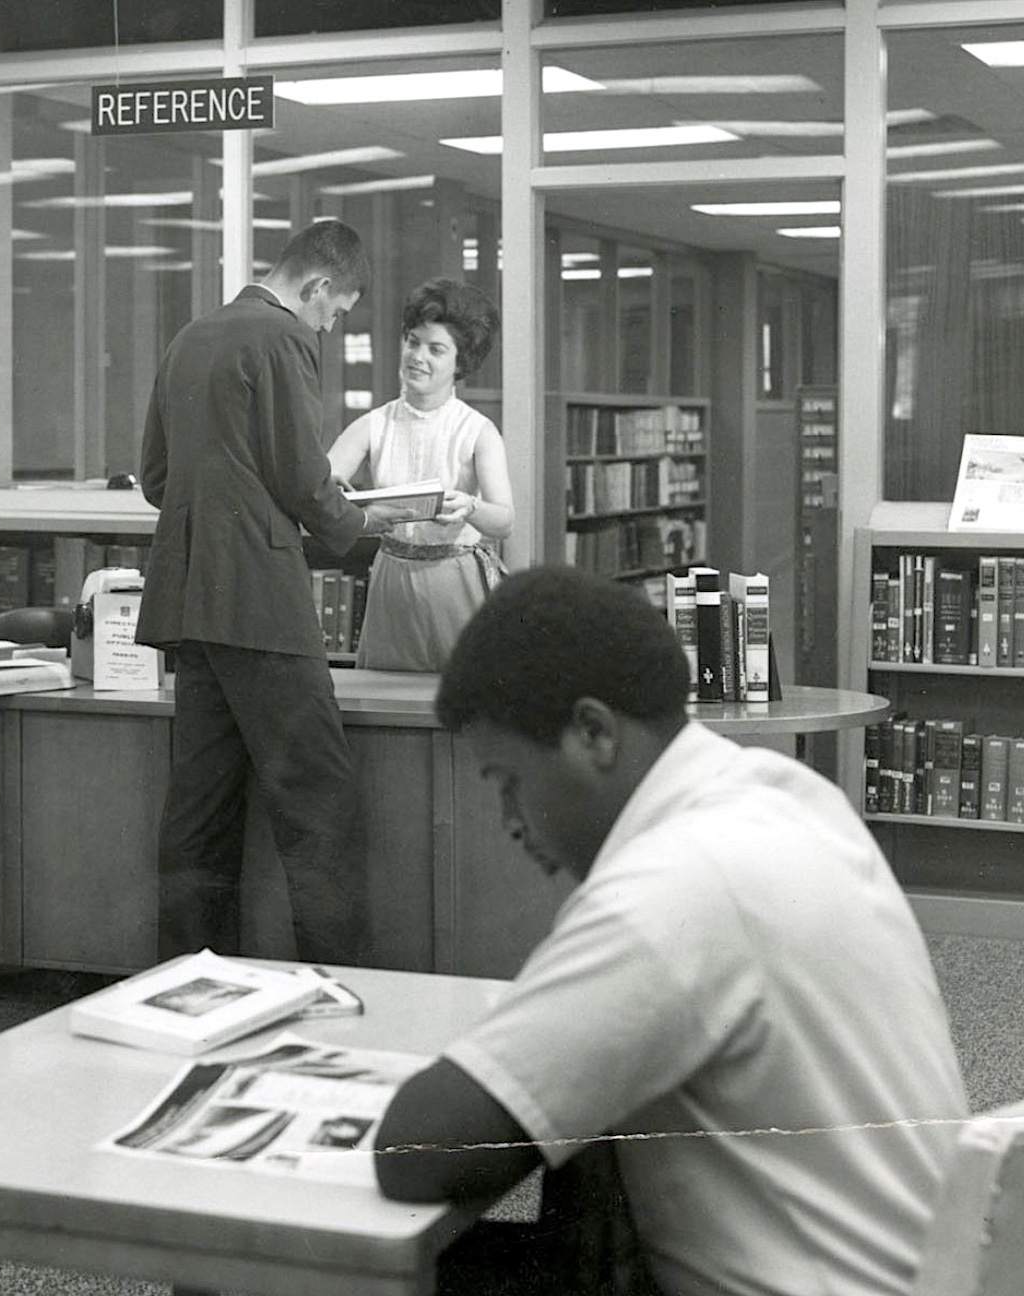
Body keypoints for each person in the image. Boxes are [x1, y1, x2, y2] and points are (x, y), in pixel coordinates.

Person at [375, 566, 969, 1296]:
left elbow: (411, 1151)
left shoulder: (676, 885)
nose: (509, 821)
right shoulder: (784, 797)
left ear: (593, 732)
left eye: (508, 781)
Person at [135, 219, 414, 965]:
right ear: (318, 286)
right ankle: (340, 982)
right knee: (318, 804)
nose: (330, 322)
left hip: (191, 601)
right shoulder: (283, 337)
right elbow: (300, 475)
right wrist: (365, 521)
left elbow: (156, 479)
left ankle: (186, 979)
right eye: (337, 309)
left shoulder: (191, 336)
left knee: (199, 808)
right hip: (259, 601)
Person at [328, 277, 514, 671]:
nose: (417, 356)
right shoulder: (373, 425)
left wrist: (470, 506)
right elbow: (321, 488)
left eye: (436, 349)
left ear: (460, 363)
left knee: (462, 694)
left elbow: (504, 520)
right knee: (385, 694)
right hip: (392, 577)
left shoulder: (477, 430)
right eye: (412, 341)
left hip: (456, 580)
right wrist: (340, 493)